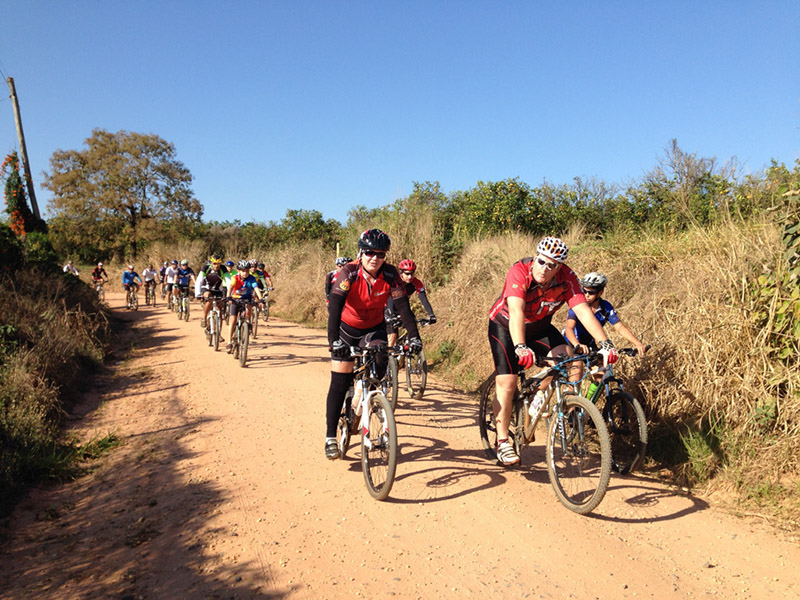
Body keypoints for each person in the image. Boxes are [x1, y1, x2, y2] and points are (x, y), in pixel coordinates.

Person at [487, 236, 618, 467]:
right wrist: (520, 346)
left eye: (552, 265)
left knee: (570, 360)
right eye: (541, 261)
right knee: (508, 381)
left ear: (559, 267)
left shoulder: (567, 278)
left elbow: (583, 312)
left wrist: (605, 343)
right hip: (505, 325)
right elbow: (516, 311)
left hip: (540, 327)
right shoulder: (519, 272)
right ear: (535, 258)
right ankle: (503, 441)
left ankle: (539, 400)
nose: (544, 268)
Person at [324, 229, 422, 460]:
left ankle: (369, 398)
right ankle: (330, 437)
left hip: (373, 328)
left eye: (380, 254)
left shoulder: (390, 274)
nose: (375, 258)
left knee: (380, 360)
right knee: (340, 379)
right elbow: (335, 307)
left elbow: (403, 307)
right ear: (361, 253)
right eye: (369, 252)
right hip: (346, 329)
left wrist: (415, 337)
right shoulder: (350, 272)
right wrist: (333, 340)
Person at [562, 272, 648, 387]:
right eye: (584, 291)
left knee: (601, 377)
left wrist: (637, 343)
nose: (586, 295)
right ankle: (571, 397)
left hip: (589, 344)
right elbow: (569, 328)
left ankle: (588, 399)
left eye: (591, 292)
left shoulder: (605, 307)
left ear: (600, 292)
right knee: (576, 375)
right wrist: (577, 344)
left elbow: (619, 327)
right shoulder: (579, 305)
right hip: (571, 342)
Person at [385, 258, 437, 347]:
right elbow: (389, 298)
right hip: (389, 308)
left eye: (412, 274)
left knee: (413, 329)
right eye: (407, 274)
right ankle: (389, 354)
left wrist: (431, 315)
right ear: (401, 273)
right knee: (392, 337)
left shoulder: (416, 283)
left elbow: (424, 299)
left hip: (404, 308)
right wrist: (391, 314)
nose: (409, 277)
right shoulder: (395, 282)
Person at [226, 259, 262, 351]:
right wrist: (228, 297)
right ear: (238, 271)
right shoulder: (235, 277)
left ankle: (248, 323)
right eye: (243, 271)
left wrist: (261, 299)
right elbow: (230, 287)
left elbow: (256, 288)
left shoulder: (251, 278)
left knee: (249, 308)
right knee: (233, 319)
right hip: (235, 299)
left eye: (246, 271)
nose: (245, 273)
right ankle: (229, 342)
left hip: (247, 298)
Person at [196, 259, 226, 330]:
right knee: (209, 298)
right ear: (211, 263)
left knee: (220, 309)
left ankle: (218, 332)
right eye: (214, 263)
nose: (216, 265)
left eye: (218, 263)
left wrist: (229, 294)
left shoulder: (222, 269)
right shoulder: (206, 268)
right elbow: (199, 281)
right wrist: (197, 294)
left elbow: (229, 281)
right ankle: (204, 318)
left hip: (217, 289)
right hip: (206, 288)